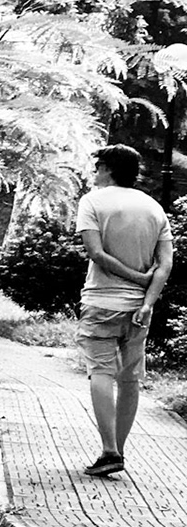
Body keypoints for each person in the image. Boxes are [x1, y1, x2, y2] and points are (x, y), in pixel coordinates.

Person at [73, 144, 172, 477]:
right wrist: (147, 301)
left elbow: (96, 253)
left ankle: (109, 451)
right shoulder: (154, 208)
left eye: (98, 166)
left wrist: (132, 276)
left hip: (101, 302)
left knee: (100, 372)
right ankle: (118, 451)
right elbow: (165, 265)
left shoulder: (92, 201)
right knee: (129, 379)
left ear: (107, 169)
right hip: (138, 311)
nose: (95, 172)